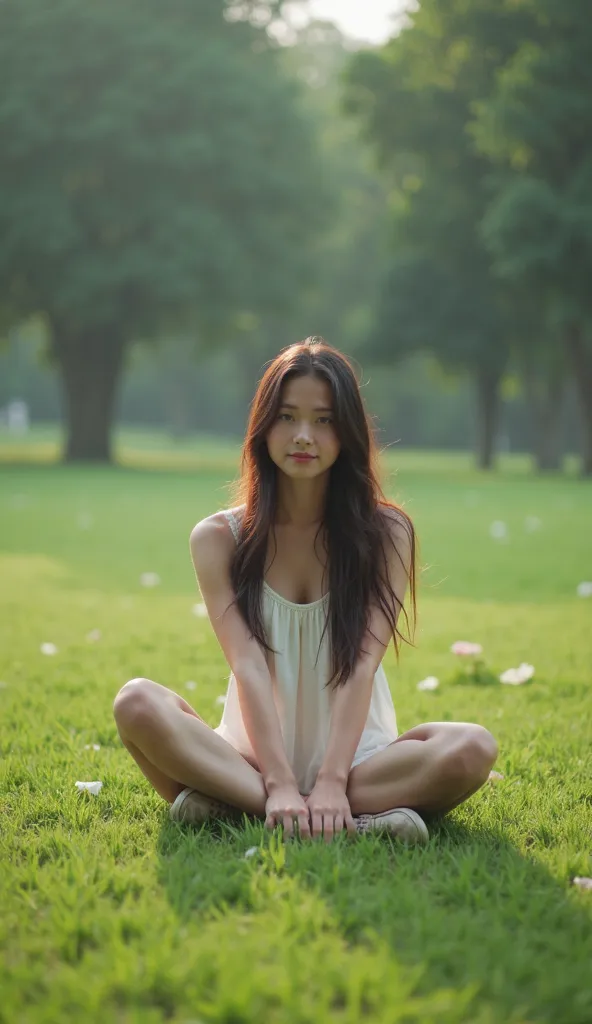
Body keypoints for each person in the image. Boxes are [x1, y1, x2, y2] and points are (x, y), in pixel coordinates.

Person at [113, 337, 499, 844]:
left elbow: (362, 665)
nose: (302, 436)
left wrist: (335, 781)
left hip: (360, 764)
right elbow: (247, 665)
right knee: (136, 703)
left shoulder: (386, 535)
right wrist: (276, 783)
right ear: (263, 425)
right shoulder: (218, 539)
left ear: (348, 434)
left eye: (323, 420)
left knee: (473, 748)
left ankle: (245, 808)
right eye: (287, 417)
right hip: (250, 761)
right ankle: (330, 819)